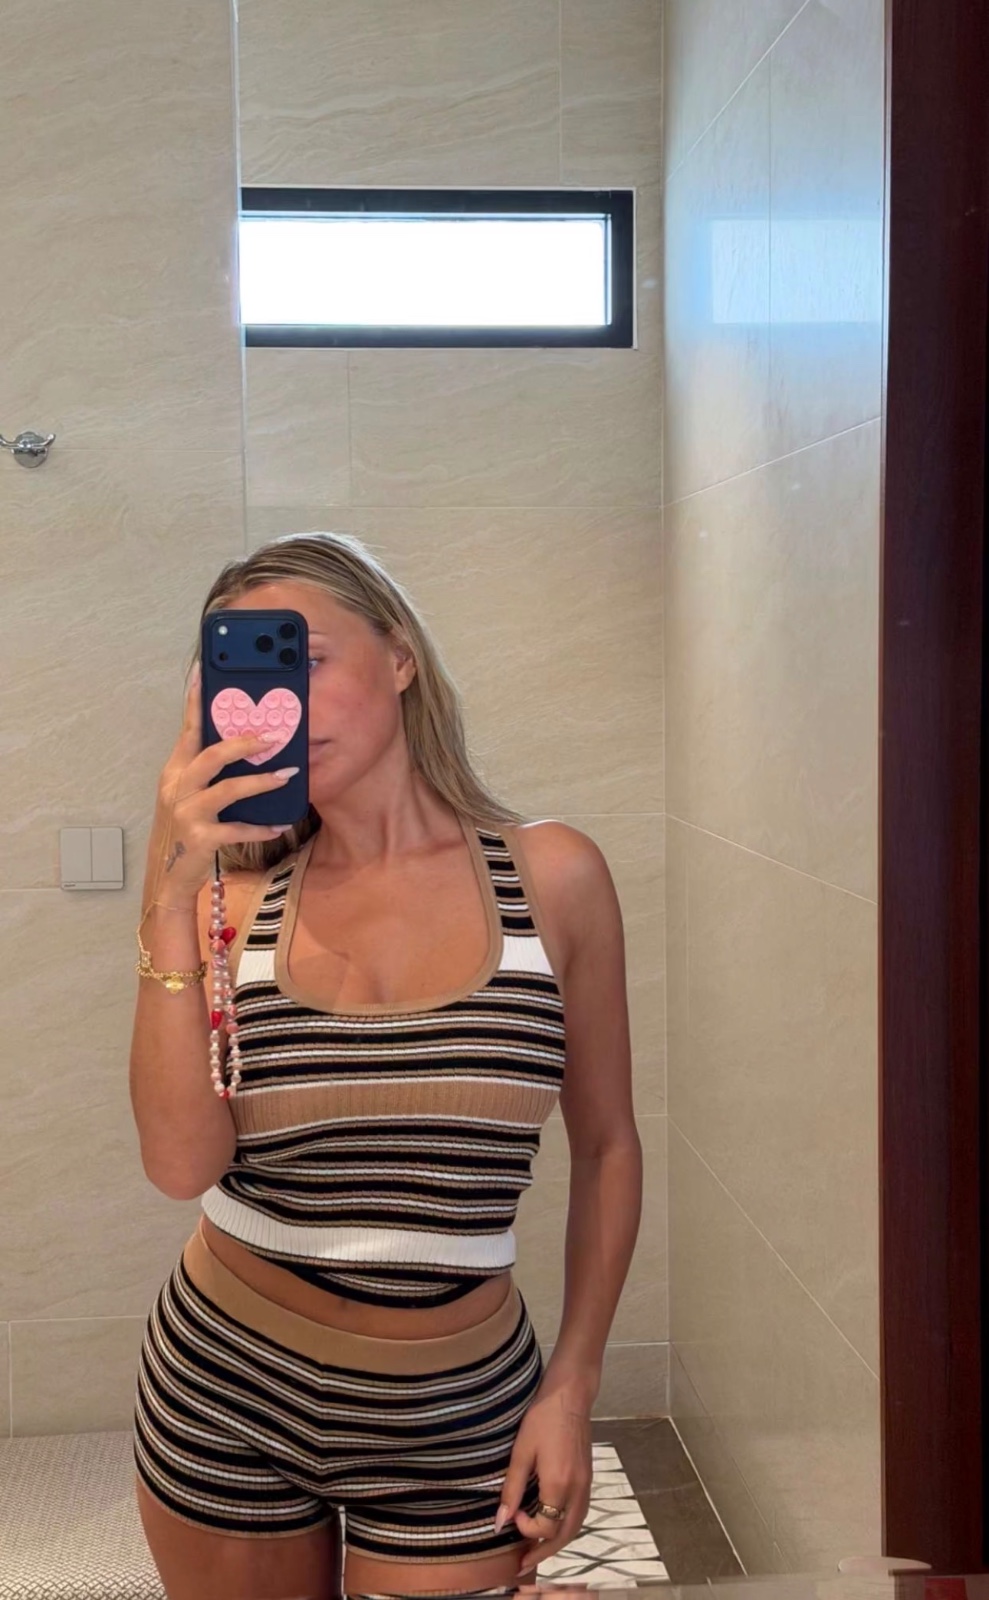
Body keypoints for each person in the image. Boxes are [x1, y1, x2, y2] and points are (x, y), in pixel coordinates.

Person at [129, 531, 642, 1600]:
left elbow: (606, 1146)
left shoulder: (551, 877)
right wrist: (168, 890)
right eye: (242, 679)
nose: (273, 707)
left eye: (303, 659)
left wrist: (570, 1387)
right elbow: (180, 1165)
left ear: (400, 656)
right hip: (227, 1382)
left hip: (459, 1405)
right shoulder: (231, 901)